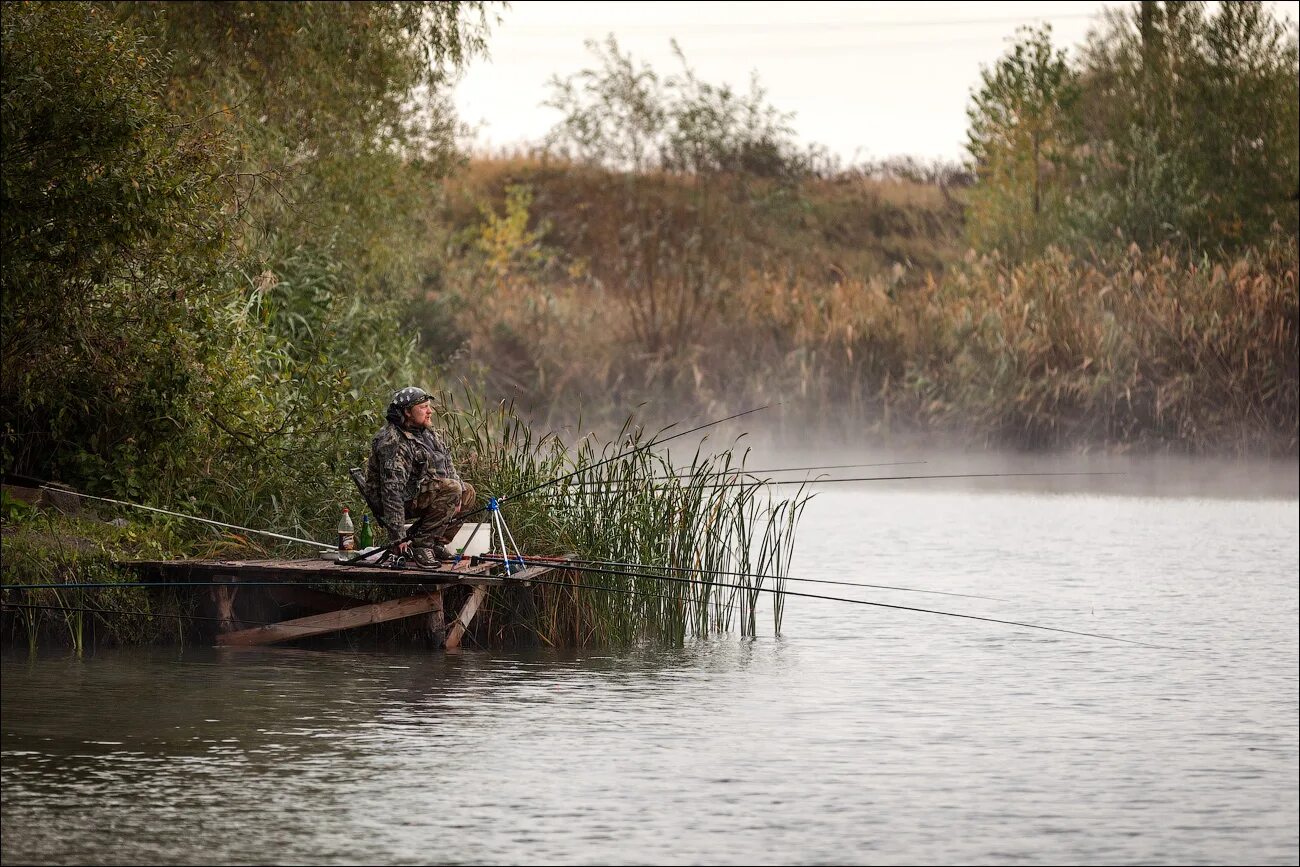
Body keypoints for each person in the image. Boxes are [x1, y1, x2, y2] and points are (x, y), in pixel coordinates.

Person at [363, 387, 475, 567]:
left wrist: (458, 494)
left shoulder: (426, 432)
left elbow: (446, 463)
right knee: (452, 488)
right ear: (407, 412)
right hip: (397, 501)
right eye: (423, 407)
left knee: (466, 491)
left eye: (429, 406)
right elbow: (391, 493)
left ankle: (436, 543)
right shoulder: (393, 441)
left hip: (417, 492)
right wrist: (397, 538)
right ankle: (422, 546)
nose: (430, 411)